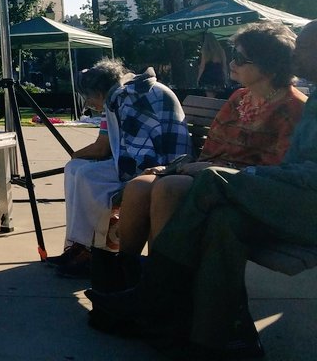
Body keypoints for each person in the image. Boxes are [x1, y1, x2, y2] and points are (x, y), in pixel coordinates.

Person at [88, 20, 317, 359]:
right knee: (218, 218)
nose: (294, 52)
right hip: (275, 192)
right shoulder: (291, 100)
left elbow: (300, 173)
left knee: (199, 184)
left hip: (299, 201)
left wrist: (230, 172)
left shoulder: (297, 105)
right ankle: (206, 341)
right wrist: (191, 166)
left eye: (305, 48)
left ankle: (150, 295)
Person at [117, 22, 305, 269]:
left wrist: (208, 168)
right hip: (210, 174)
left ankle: (160, 281)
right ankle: (123, 274)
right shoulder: (239, 98)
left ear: (268, 66)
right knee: (138, 186)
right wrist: (181, 166)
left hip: (245, 188)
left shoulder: (294, 107)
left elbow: (275, 171)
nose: (231, 62)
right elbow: (211, 150)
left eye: (239, 58)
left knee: (169, 189)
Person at [46, 59, 191, 279]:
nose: (88, 103)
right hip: (145, 159)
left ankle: (95, 252)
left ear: (99, 91)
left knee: (88, 176)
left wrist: (84, 158)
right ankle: (81, 245)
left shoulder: (129, 98)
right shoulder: (119, 96)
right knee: (75, 169)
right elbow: (105, 145)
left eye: (89, 97)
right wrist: (77, 158)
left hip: (163, 163)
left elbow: (138, 157)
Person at [196, 31, 229, 95]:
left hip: (207, 77)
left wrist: (198, 79)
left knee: (209, 96)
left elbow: (202, 67)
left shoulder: (205, 51)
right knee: (218, 96)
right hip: (218, 76)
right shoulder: (221, 51)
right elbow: (224, 66)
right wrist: (225, 78)